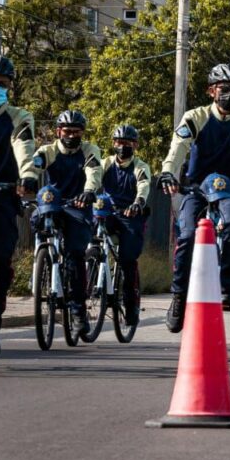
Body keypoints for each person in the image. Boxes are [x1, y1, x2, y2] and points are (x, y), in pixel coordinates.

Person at [158, 63, 230, 333]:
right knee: (186, 235)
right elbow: (178, 147)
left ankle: (227, 288)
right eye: (224, 88)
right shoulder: (195, 117)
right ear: (211, 91)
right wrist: (168, 171)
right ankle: (178, 296)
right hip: (196, 187)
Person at [32, 109, 103, 339]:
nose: (71, 135)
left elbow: (94, 171)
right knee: (37, 222)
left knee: (74, 254)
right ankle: (40, 264)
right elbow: (34, 166)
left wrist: (89, 191)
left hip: (78, 206)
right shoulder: (49, 150)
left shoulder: (89, 151)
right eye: (67, 131)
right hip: (52, 204)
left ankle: (78, 310)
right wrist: (26, 179)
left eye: (76, 131)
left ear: (82, 133)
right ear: (58, 132)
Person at [0, 55, 37, 356]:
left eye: (1, 84)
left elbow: (24, 147)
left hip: (1, 196)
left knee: (0, 263)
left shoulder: (19, 117)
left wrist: (28, 176)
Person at [99, 125, 151, 326]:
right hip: (107, 212)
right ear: (114, 143)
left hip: (130, 215)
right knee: (87, 237)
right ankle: (93, 267)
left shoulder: (140, 166)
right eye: (119, 142)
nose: (123, 146)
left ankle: (131, 307)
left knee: (127, 260)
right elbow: (92, 178)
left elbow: (144, 185)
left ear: (135, 145)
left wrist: (138, 203)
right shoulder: (105, 164)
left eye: (127, 143)